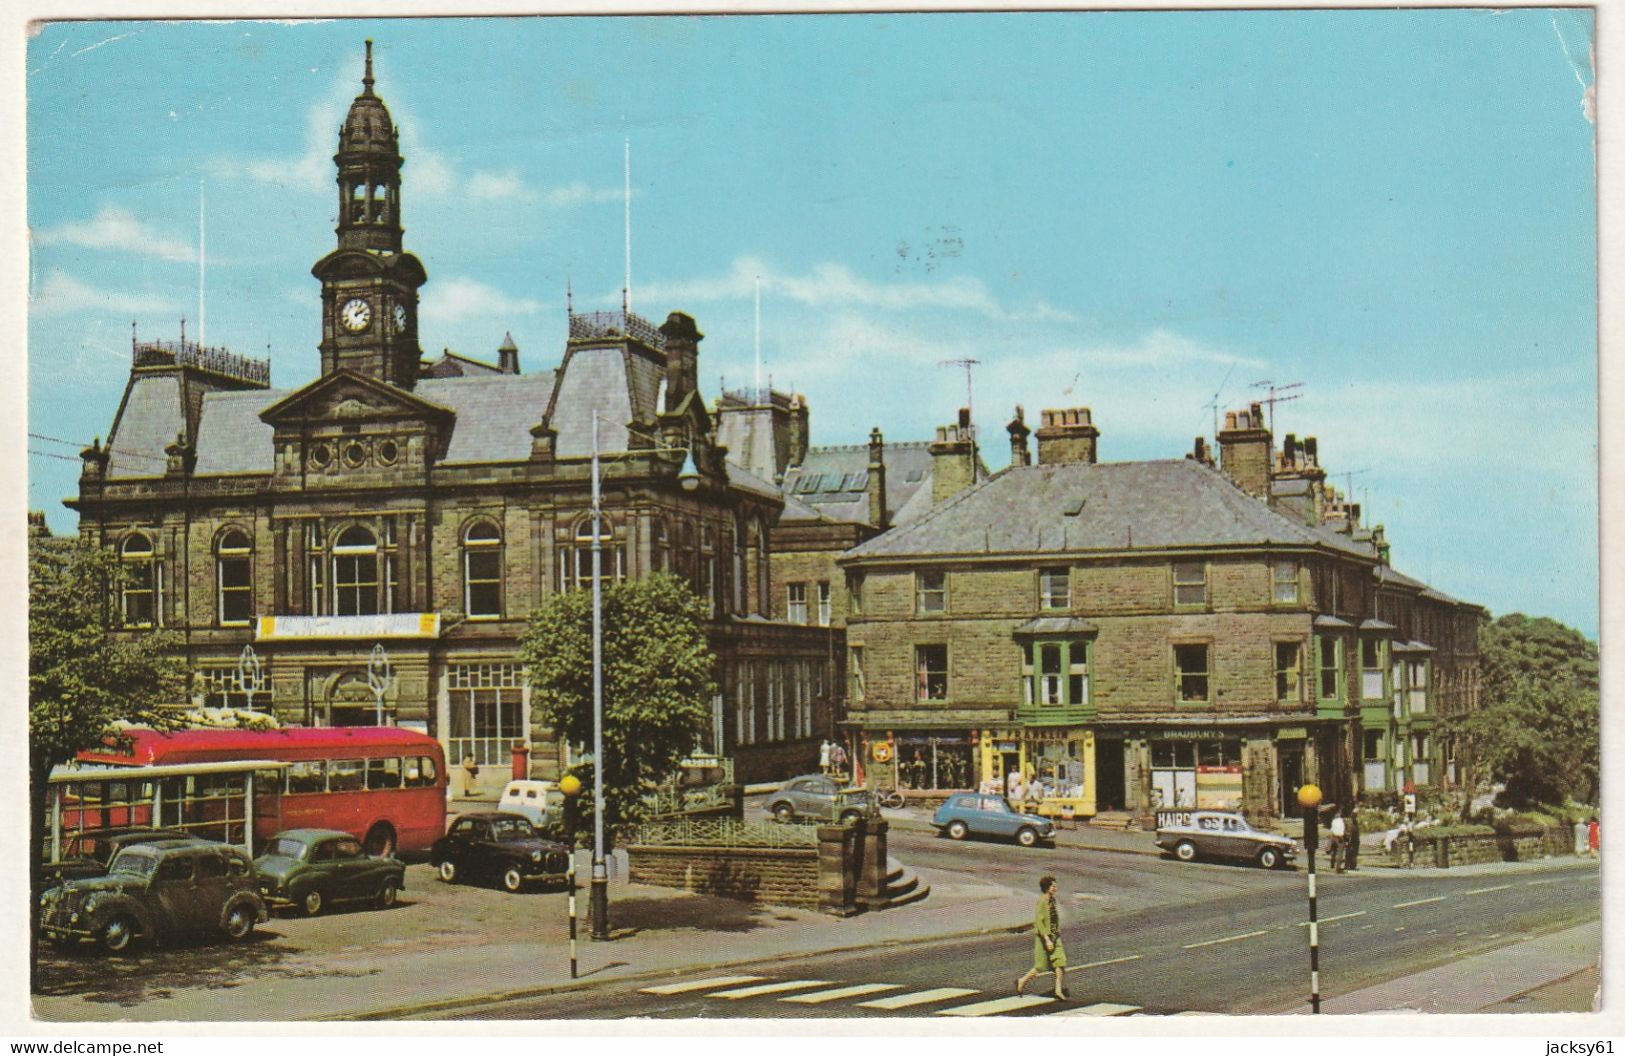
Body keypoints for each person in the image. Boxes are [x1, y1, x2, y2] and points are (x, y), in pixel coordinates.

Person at [1016, 875, 1068, 1000]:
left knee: (1060, 963)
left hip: (1055, 936)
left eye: (1055, 886)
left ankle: (1058, 990)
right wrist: (1047, 939)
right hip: (1044, 938)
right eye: (1053, 886)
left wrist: (1056, 934)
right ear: (1047, 887)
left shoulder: (1052, 900)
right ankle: (1022, 981)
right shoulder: (1042, 901)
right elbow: (1039, 922)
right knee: (1040, 966)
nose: (1055, 888)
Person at [1328, 808, 1347, 873]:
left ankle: (1332, 865)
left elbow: (1332, 829)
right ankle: (1338, 868)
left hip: (1333, 836)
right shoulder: (1343, 821)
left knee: (1333, 851)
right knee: (1340, 853)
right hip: (1339, 837)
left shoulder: (1334, 821)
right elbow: (1343, 830)